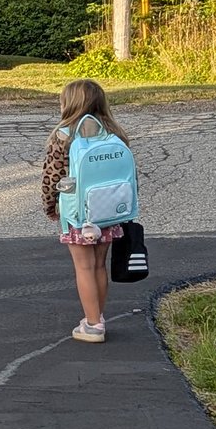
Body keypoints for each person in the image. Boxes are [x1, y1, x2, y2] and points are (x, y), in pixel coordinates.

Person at [41, 79, 132, 344]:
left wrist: (50, 206)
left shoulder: (64, 136)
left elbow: (51, 178)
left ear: (69, 104)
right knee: (99, 266)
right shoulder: (114, 133)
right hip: (109, 210)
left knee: (83, 266)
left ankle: (93, 325)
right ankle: (97, 316)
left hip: (78, 214)